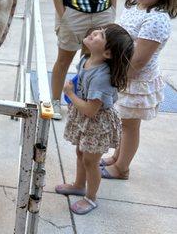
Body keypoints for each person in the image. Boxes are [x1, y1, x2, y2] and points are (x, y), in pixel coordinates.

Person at [100, 0, 177, 179]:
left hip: (134, 79)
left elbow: (139, 60)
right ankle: (116, 157)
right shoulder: (136, 5)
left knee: (129, 126)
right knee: (123, 122)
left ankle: (122, 168)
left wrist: (118, 79)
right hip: (123, 74)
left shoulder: (156, 20)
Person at [55, 24, 134, 215]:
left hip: (97, 123)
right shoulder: (86, 59)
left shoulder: (102, 77)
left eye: (101, 35)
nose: (94, 32)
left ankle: (91, 198)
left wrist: (70, 95)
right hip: (86, 118)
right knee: (81, 153)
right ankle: (79, 185)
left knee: (91, 160)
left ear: (107, 53)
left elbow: (91, 110)